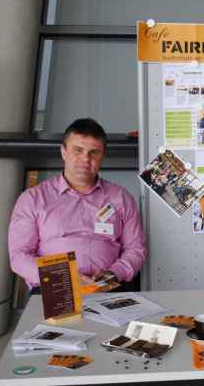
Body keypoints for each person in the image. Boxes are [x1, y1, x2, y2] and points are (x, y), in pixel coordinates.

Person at [8, 118, 147, 293]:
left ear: (102, 156)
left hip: (107, 288)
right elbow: (19, 257)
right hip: (54, 287)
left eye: (94, 152)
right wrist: (66, 278)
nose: (85, 159)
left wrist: (111, 276)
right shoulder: (33, 198)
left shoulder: (121, 198)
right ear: (63, 152)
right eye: (78, 150)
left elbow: (135, 249)